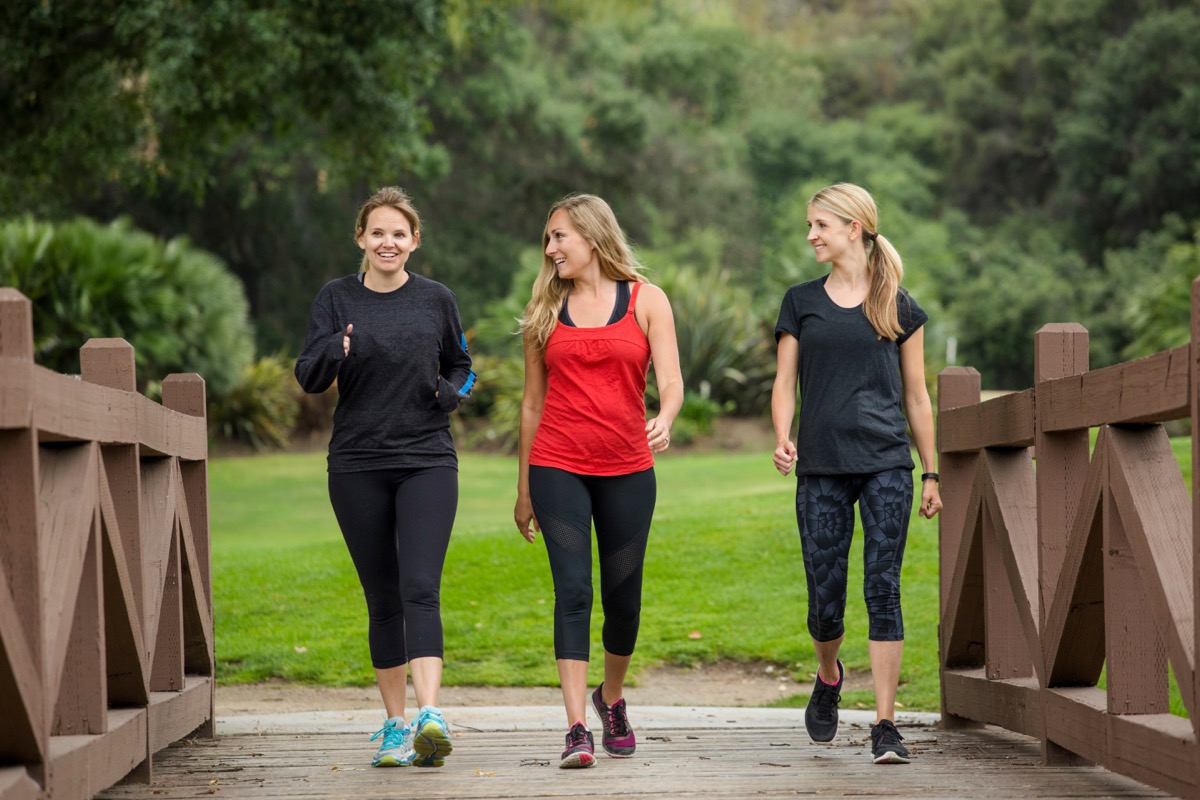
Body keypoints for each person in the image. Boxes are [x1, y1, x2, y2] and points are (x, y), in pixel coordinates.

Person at [294, 186, 475, 769]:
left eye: (399, 233)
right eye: (377, 232)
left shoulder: (436, 299)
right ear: (361, 240)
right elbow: (308, 375)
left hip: (426, 458)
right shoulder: (335, 298)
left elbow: (463, 365)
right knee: (383, 597)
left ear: (414, 241)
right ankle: (395, 727)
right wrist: (335, 350)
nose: (388, 241)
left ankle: (430, 716)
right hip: (356, 464)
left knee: (421, 585)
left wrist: (449, 393)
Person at [771, 182, 941, 765]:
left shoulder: (899, 304)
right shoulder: (800, 301)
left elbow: (917, 398)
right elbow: (784, 383)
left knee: (883, 588)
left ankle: (885, 725)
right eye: (811, 225)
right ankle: (829, 674)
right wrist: (782, 436)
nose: (811, 234)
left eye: (820, 224)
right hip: (820, 467)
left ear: (854, 228)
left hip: (886, 465)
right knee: (825, 601)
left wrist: (931, 473)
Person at [514, 193, 684, 769]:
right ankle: (576, 729)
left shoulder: (646, 299)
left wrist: (664, 417)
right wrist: (523, 490)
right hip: (557, 464)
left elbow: (673, 380)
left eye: (559, 235)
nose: (551, 247)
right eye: (548, 237)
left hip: (628, 469)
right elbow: (532, 405)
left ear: (591, 236)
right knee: (574, 591)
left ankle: (610, 699)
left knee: (623, 599)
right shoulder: (543, 306)